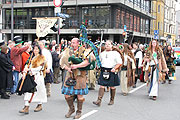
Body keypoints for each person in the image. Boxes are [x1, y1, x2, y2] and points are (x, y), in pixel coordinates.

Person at [61, 38, 95, 119]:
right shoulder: (67, 51)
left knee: (80, 96)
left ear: (78, 43)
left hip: (80, 76)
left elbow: (88, 61)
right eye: (71, 42)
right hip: (70, 75)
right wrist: (67, 68)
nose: (72, 44)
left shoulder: (84, 51)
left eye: (73, 43)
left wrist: (77, 66)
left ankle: (79, 112)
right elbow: (62, 62)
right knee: (66, 95)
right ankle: (71, 109)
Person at [19, 44, 47, 114]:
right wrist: (26, 69)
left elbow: (41, 67)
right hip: (30, 76)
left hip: (38, 76)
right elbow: (27, 63)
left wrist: (30, 70)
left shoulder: (42, 57)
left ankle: (40, 104)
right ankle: (26, 106)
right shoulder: (31, 57)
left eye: (37, 49)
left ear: (39, 50)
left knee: (39, 91)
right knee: (28, 91)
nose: (35, 50)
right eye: (34, 49)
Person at [93, 40, 122, 106]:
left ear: (112, 45)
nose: (107, 45)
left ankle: (112, 100)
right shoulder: (102, 53)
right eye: (106, 44)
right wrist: (97, 65)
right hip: (104, 70)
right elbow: (99, 61)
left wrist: (115, 68)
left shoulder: (115, 53)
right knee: (102, 85)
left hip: (111, 70)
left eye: (109, 44)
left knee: (112, 86)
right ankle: (99, 100)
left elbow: (119, 62)